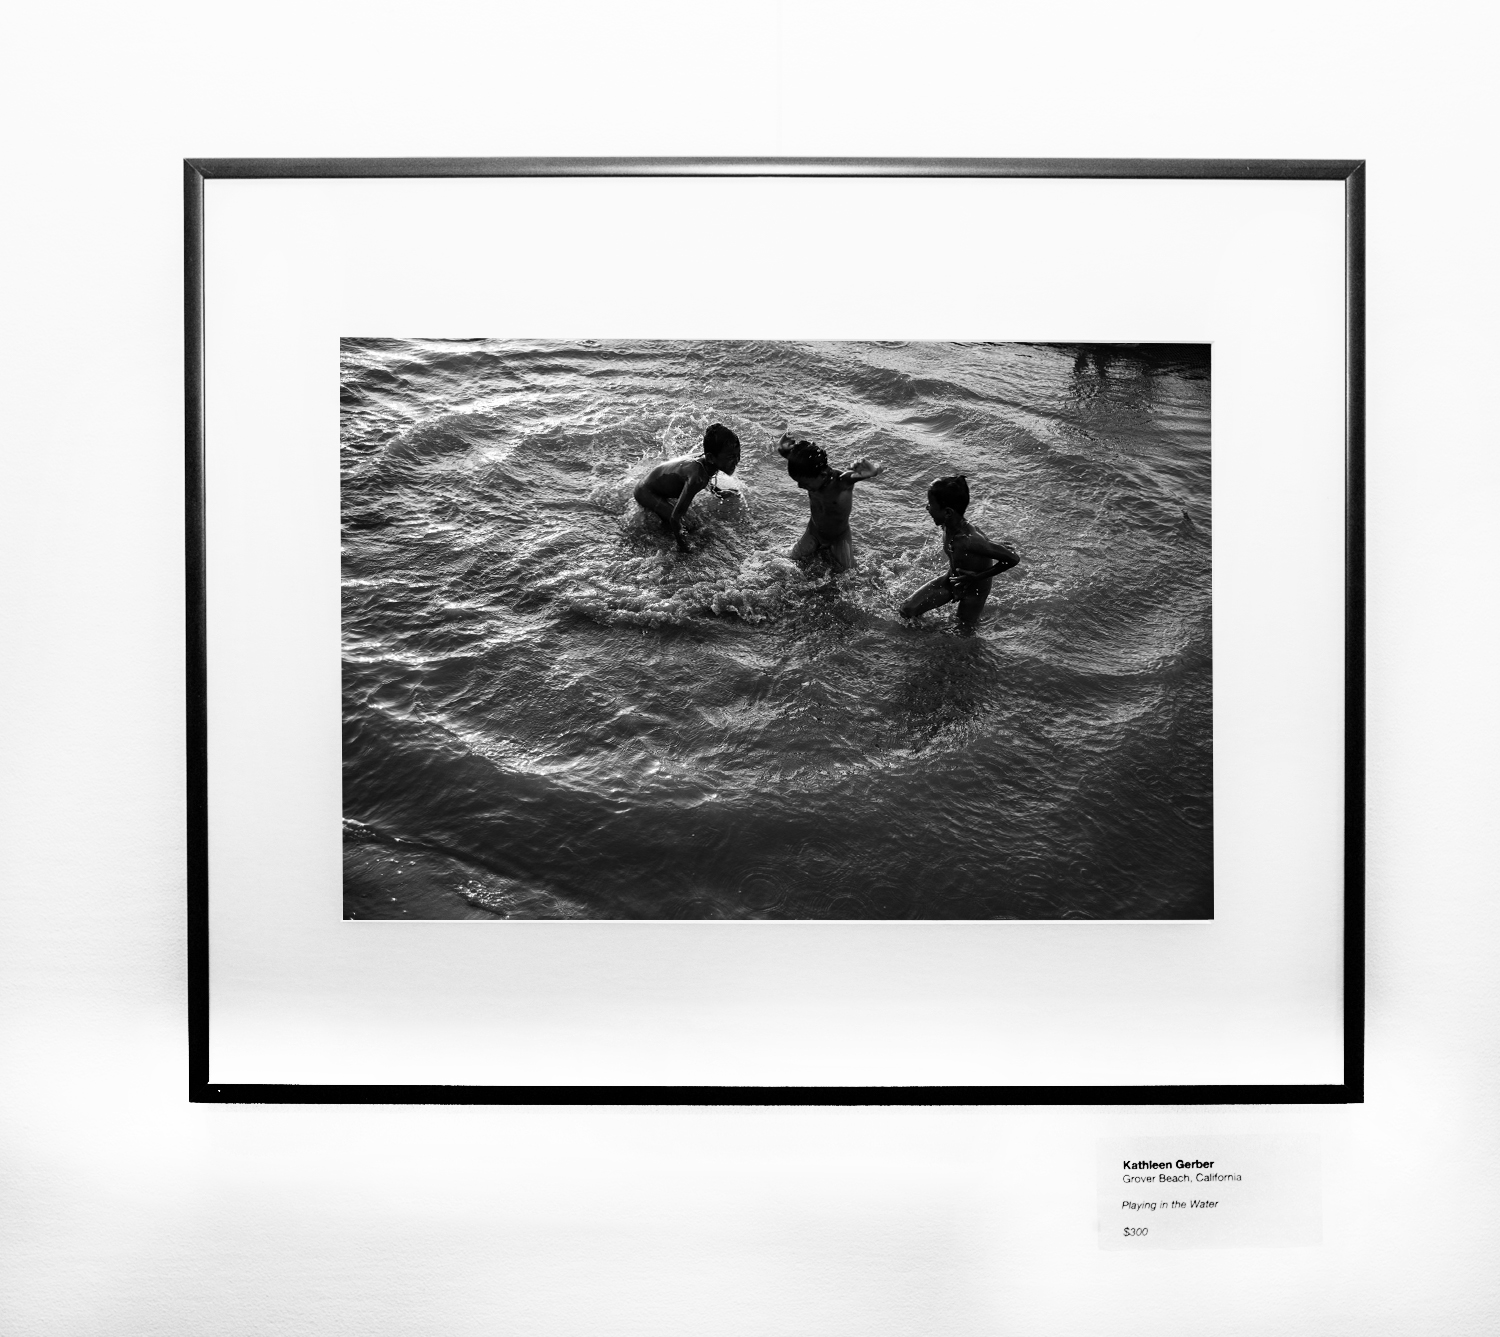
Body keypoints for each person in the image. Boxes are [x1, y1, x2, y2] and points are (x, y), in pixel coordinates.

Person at [899, 474, 1019, 632]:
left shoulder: (969, 540)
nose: (927, 508)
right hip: (952, 580)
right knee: (906, 610)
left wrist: (976, 577)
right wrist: (992, 544)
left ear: (948, 512)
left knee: (962, 634)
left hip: (975, 591)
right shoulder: (948, 525)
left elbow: (1013, 559)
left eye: (930, 504)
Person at [777, 432, 884, 573]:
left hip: (839, 538)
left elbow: (873, 470)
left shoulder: (841, 482)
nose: (800, 486)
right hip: (813, 532)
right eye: (798, 482)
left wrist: (873, 470)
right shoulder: (808, 470)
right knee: (786, 560)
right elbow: (797, 460)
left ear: (822, 475)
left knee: (851, 573)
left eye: (805, 484)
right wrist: (782, 449)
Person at [633, 424, 741, 550]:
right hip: (645, 492)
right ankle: (658, 540)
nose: (736, 461)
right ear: (711, 458)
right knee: (688, 526)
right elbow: (675, 517)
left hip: (652, 483)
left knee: (692, 524)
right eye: (731, 457)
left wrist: (717, 491)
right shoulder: (697, 477)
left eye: (738, 455)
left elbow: (706, 477)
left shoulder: (709, 462)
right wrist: (684, 547)